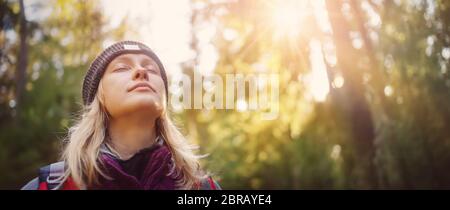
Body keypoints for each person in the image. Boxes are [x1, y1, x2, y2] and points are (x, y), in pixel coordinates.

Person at [21, 41, 221, 190]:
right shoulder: (50, 186)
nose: (141, 71)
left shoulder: (202, 187)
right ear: (98, 98)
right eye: (122, 68)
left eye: (152, 69)